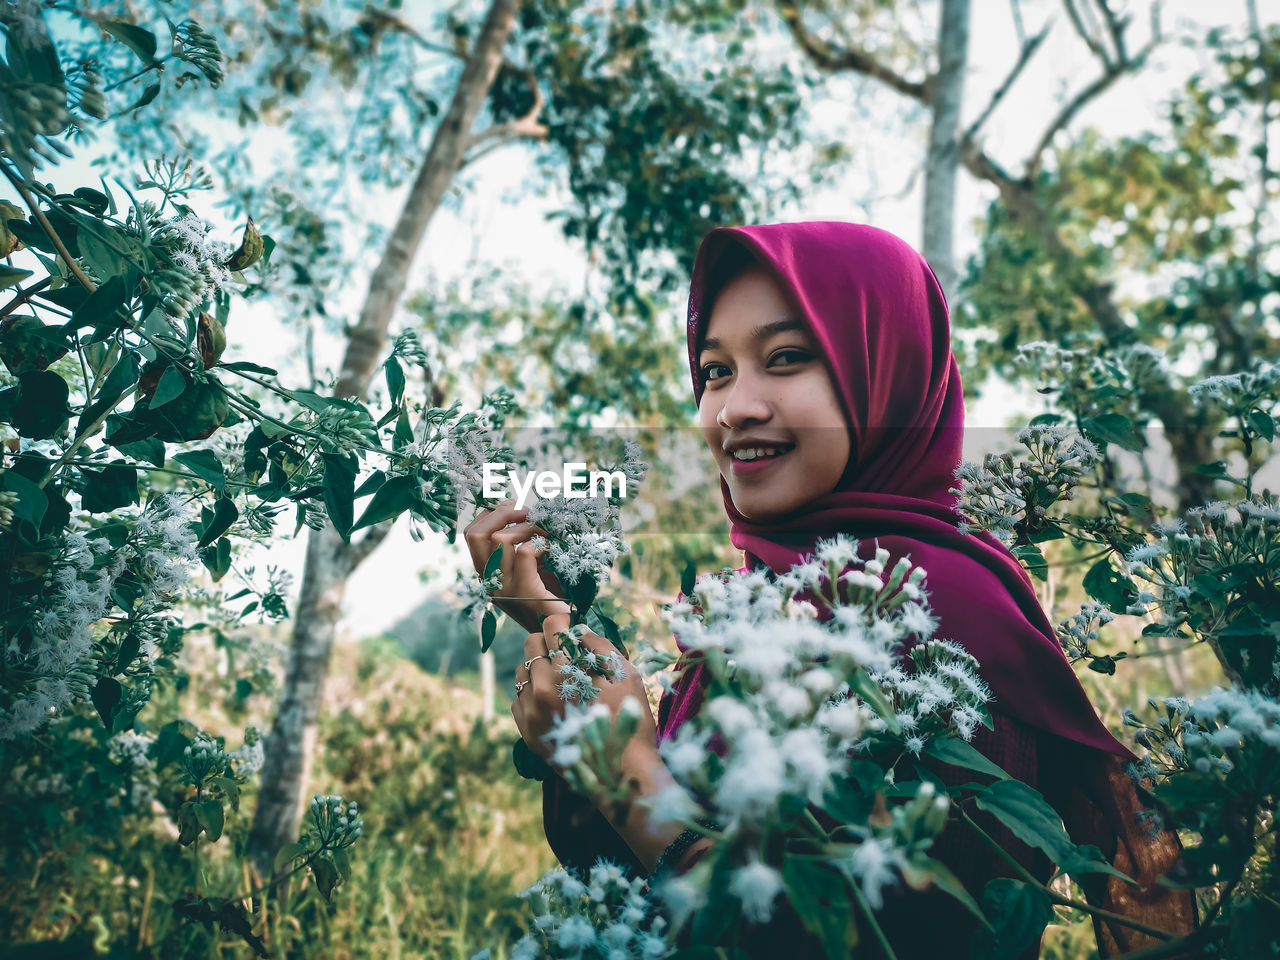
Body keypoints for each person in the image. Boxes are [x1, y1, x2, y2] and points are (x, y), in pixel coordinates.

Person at [464, 221, 1198, 957]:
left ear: (885, 371)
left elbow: (895, 938)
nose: (732, 408)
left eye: (785, 358)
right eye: (715, 371)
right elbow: (638, 893)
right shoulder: (761, 596)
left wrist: (631, 774)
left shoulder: (941, 614)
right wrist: (559, 626)